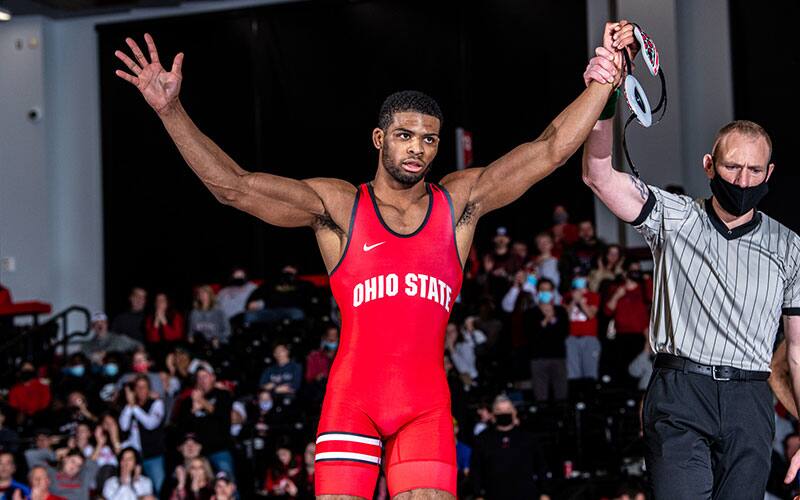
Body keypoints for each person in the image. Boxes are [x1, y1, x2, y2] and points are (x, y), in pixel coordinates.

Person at [114, 30, 619, 498]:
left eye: (428, 139)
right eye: (404, 136)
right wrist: (171, 111)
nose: (417, 148)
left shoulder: (460, 204)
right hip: (350, 405)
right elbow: (235, 187)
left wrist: (604, 79)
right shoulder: (339, 208)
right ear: (380, 139)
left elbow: (549, 149)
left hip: (426, 410)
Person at [582, 20, 800, 498]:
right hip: (681, 391)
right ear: (708, 166)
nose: (742, 180)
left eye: (754, 170)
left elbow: (797, 352)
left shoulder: (790, 246)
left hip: (751, 399)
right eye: (731, 166)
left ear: (770, 173)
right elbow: (599, 175)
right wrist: (605, 94)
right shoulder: (673, 216)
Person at [470, 395, 547, 499]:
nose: (503, 413)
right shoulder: (482, 439)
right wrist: (477, 494)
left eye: (507, 409)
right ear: (493, 414)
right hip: (494, 495)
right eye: (499, 410)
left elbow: (541, 466)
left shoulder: (528, 437)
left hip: (526, 495)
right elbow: (476, 470)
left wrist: (544, 493)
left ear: (514, 412)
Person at [119, 374, 166, 494]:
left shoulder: (156, 403)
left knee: (159, 487)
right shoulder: (130, 406)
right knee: (135, 489)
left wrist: (134, 407)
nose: (140, 390)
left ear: (149, 389)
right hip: (135, 458)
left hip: (153, 455)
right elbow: (123, 426)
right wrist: (130, 406)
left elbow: (151, 424)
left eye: (143, 387)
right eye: (138, 387)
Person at [526, 278, 569, 402]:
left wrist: (553, 319)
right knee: (541, 397)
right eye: (542, 290)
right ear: (537, 292)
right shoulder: (531, 313)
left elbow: (564, 333)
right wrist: (545, 320)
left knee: (561, 396)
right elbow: (531, 335)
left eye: (548, 290)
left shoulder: (560, 311)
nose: (545, 293)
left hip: (558, 357)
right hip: (538, 358)